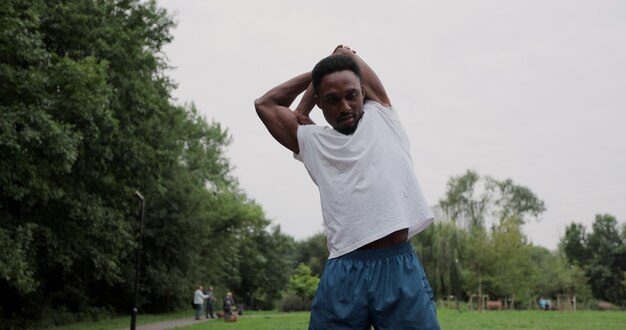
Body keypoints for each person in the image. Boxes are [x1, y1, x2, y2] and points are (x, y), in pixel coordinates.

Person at [255, 45, 439, 329]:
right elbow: (265, 104)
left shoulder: (383, 116)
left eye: (351, 96)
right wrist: (314, 80)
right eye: (332, 99)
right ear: (320, 102)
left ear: (363, 93)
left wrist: (324, 74)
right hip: (344, 270)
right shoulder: (312, 141)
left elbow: (346, 52)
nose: (345, 107)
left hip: (397, 266)